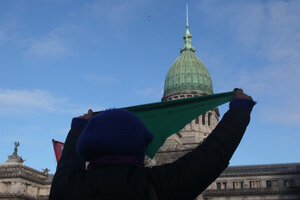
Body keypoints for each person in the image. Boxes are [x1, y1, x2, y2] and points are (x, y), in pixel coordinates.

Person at [50, 89, 255, 200]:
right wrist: (239, 110)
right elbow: (213, 154)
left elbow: (68, 161)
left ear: (87, 147)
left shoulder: (67, 187)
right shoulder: (158, 184)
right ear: (140, 145)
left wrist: (78, 128)